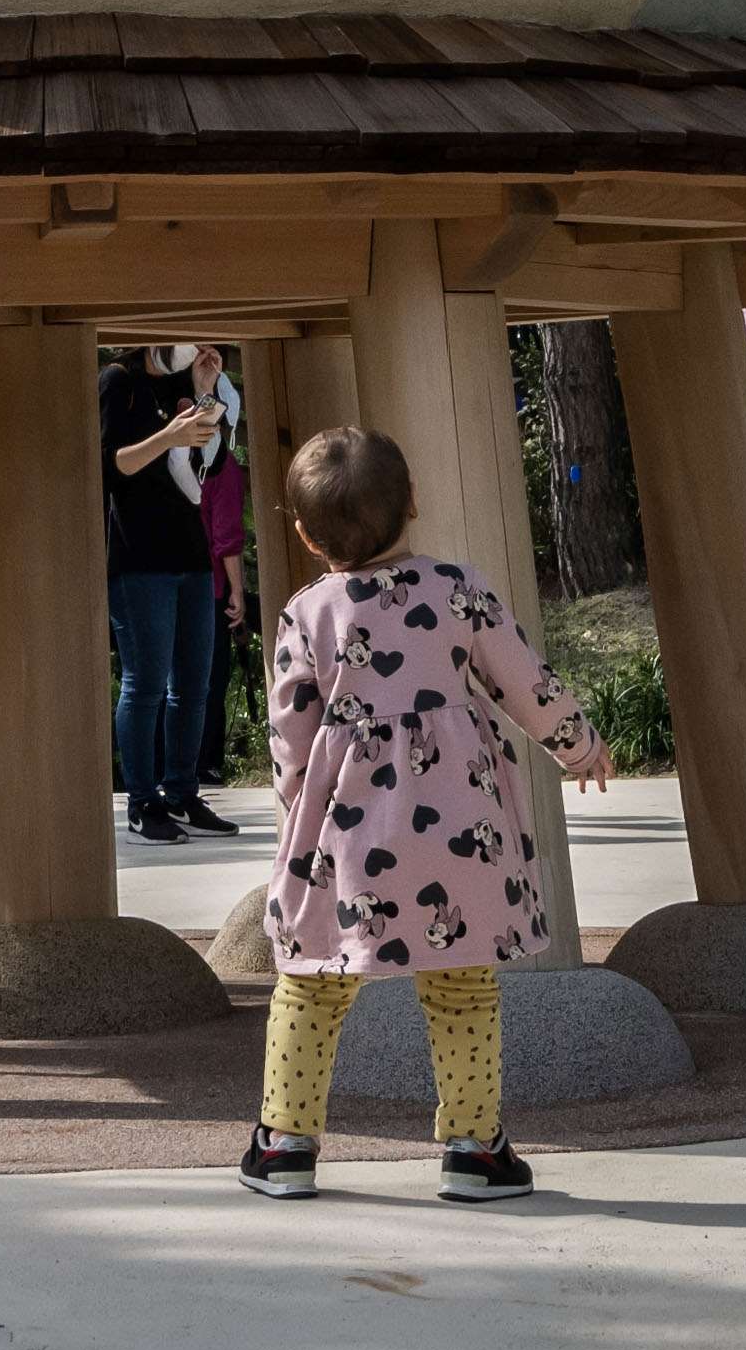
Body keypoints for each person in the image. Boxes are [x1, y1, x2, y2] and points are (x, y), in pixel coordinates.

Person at [237, 418, 574, 1202]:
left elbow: (289, 732)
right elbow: (521, 678)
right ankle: (473, 1149)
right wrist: (577, 742)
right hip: (459, 824)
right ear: (414, 503)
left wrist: (301, 813)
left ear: (303, 535)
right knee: (461, 983)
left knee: (312, 977)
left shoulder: (308, 613)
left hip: (349, 831)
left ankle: (285, 1145)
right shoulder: (457, 588)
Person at [102, 336, 235, 837]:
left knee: (194, 685)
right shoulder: (118, 380)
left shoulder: (182, 383)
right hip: (138, 558)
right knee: (145, 683)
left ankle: (183, 793)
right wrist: (168, 437)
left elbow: (214, 465)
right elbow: (114, 464)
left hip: (190, 554)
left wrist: (207, 391)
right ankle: (141, 801)